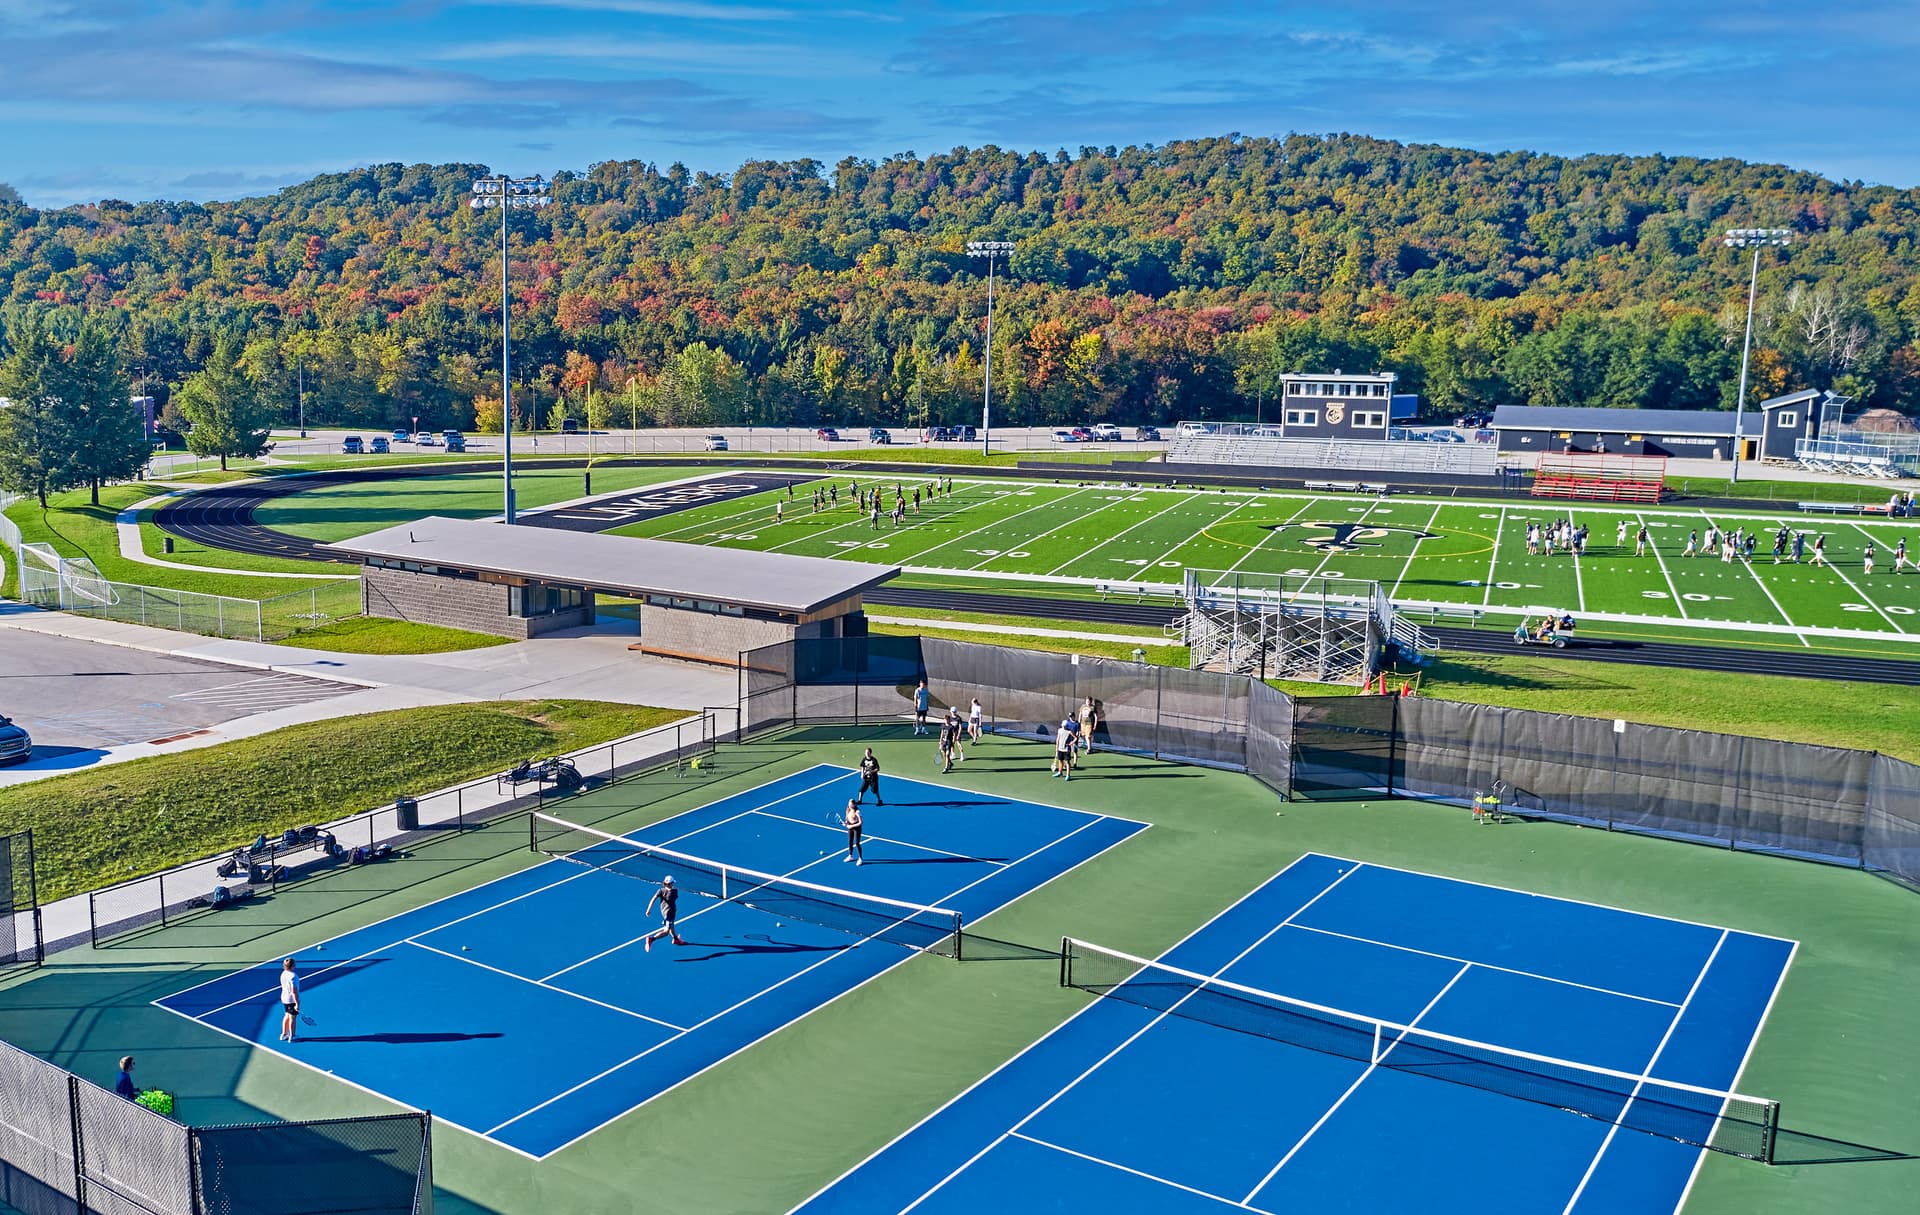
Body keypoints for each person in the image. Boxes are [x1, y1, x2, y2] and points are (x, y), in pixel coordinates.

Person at [642, 875, 684, 950]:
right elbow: (674, 897)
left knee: (671, 927)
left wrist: (648, 910)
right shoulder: (675, 891)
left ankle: (676, 939)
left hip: (664, 913)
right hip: (670, 914)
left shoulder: (660, 891)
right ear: (670, 884)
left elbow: (653, 899)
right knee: (666, 931)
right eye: (672, 883)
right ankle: (651, 939)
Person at [278, 958, 301, 1043]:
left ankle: (284, 1034)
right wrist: (297, 1003)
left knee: (287, 1015)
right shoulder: (293, 976)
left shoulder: (283, 973)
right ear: (293, 966)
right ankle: (292, 1036)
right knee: (292, 1018)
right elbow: (294, 992)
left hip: (284, 998)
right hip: (291, 1000)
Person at [1076, 697, 1099, 762]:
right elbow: (1080, 714)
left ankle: (1089, 749)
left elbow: (1096, 717)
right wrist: (1079, 723)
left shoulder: (1093, 707)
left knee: (1088, 736)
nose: (1087, 702)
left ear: (1091, 701)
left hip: (1089, 724)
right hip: (1083, 724)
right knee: (1085, 736)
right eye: (1086, 701)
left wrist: (1095, 725)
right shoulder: (1083, 706)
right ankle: (1090, 747)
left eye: (1088, 701)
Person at [842, 799, 863, 865]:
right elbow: (847, 818)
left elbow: (861, 822)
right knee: (850, 841)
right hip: (850, 827)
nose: (849, 805)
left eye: (851, 804)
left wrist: (851, 826)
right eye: (849, 804)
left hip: (857, 828)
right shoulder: (848, 809)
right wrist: (845, 823)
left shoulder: (857, 811)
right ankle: (850, 856)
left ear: (854, 804)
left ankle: (860, 858)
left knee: (857, 843)